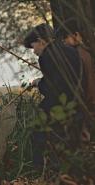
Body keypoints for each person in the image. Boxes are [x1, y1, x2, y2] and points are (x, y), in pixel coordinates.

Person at [23, 23, 83, 168]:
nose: (34, 51)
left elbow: (53, 89)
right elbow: (62, 78)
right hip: (77, 104)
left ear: (41, 41)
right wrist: (41, 80)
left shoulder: (46, 56)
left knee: (36, 131)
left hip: (60, 105)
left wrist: (39, 84)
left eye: (33, 46)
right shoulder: (70, 50)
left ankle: (39, 170)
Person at [55, 18, 95, 129]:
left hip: (87, 108)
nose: (64, 43)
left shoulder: (78, 54)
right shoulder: (85, 52)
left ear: (76, 35)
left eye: (65, 39)